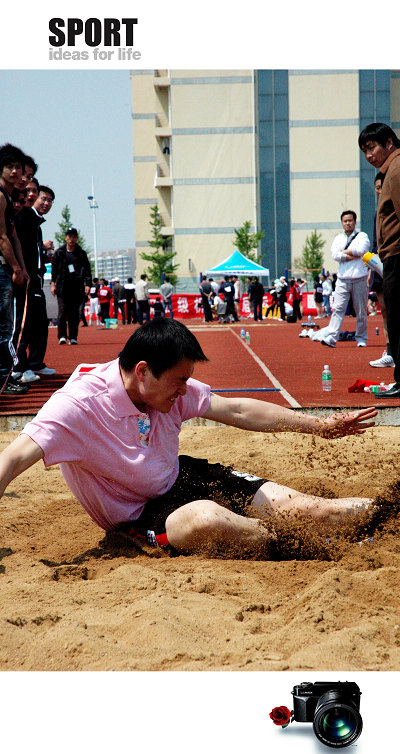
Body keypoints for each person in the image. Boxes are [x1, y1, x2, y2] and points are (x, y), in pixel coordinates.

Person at [0, 318, 377, 558]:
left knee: (314, 509)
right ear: (143, 371)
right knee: (206, 519)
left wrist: (321, 426)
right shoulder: (77, 407)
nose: (185, 390)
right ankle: (307, 547)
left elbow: (238, 410)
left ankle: (386, 512)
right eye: (180, 381)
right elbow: (12, 460)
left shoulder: (168, 389)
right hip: (139, 513)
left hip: (183, 476)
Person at [359, 123, 400, 397]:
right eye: (364, 151)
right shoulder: (389, 172)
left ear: (388, 142)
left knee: (398, 319)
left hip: (398, 255)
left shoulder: (396, 171)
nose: (369, 156)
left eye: (371, 147)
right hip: (392, 255)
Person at [13, 185, 56, 382]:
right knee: (24, 326)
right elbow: (19, 247)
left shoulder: (36, 223)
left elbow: (32, 252)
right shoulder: (24, 218)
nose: (46, 203)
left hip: (37, 280)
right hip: (27, 279)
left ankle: (35, 363)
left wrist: (43, 251)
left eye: (50, 201)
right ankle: (19, 367)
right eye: (43, 199)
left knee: (39, 323)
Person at [311, 212, 370, 348]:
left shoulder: (362, 236)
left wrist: (343, 252)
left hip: (359, 278)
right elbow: (334, 254)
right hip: (342, 280)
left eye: (350, 220)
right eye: (345, 221)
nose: (348, 223)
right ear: (342, 223)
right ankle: (332, 337)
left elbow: (362, 250)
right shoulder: (338, 238)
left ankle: (361, 338)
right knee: (337, 309)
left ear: (355, 222)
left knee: (360, 311)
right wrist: (350, 254)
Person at [0, 143, 30, 396]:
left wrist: (22, 267)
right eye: (10, 167)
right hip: (1, 270)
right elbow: (2, 238)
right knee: (4, 326)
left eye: (18, 168)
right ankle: (3, 379)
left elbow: (13, 236)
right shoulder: (0, 196)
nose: (14, 172)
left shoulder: (9, 197)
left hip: (7, 267)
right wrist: (15, 268)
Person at [367, 172, 394, 369]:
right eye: (377, 188)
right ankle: (390, 351)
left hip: (393, 261)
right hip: (379, 264)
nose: (380, 191)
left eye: (382, 187)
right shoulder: (378, 211)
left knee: (395, 310)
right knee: (384, 310)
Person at [51, 227, 92, 345]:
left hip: (77, 287)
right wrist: (53, 284)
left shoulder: (81, 253)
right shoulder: (59, 253)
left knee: (74, 313)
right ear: (66, 238)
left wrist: (88, 284)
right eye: (69, 236)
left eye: (74, 236)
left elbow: (87, 270)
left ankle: (73, 337)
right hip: (62, 287)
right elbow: (54, 270)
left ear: (77, 238)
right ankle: (62, 336)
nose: (72, 239)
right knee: (62, 312)